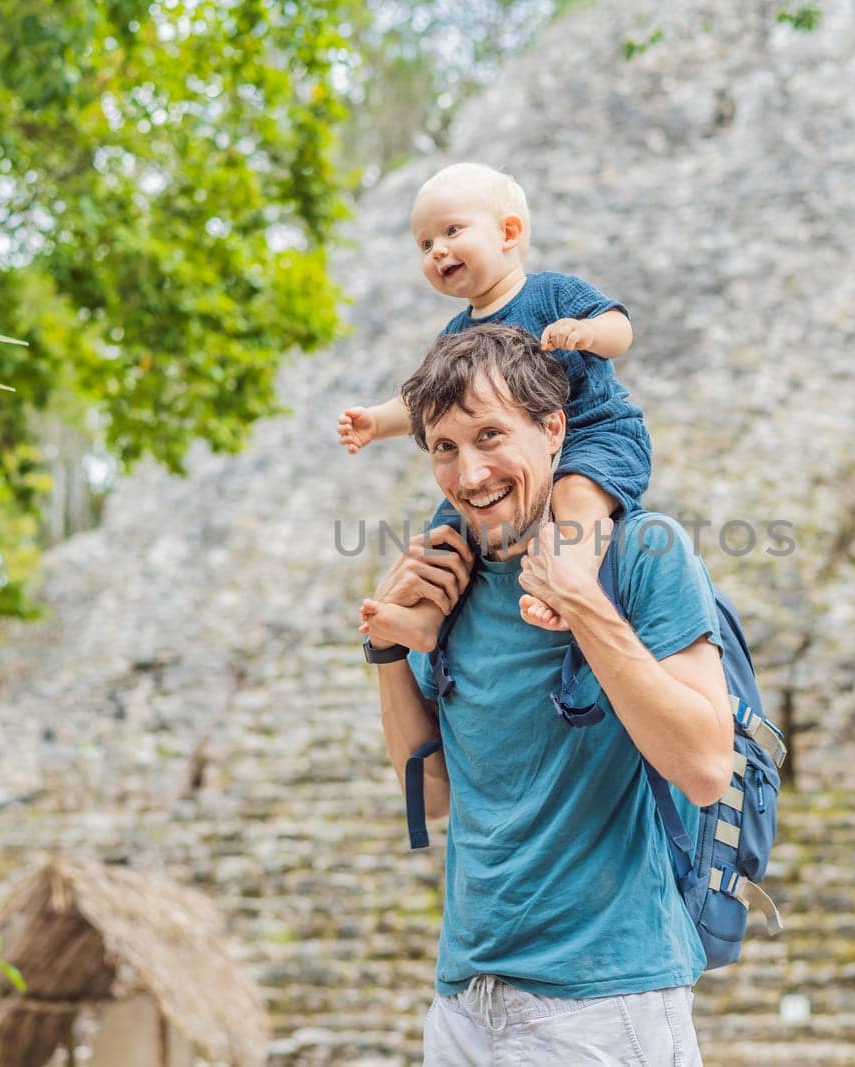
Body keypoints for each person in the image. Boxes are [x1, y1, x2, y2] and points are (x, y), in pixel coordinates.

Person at [358, 324, 732, 1064]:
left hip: (607, 998)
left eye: (491, 435)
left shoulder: (645, 552)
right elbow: (433, 796)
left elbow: (704, 764)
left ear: (553, 428)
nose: (469, 475)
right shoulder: (452, 584)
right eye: (444, 447)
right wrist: (386, 648)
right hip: (466, 1000)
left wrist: (583, 601)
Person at [338, 161, 651, 652]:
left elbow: (620, 327)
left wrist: (589, 333)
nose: (437, 249)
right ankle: (423, 618)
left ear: (508, 232)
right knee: (445, 528)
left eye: (451, 231)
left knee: (576, 497)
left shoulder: (552, 293)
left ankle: (572, 583)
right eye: (424, 244)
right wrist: (376, 422)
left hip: (592, 433)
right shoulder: (455, 336)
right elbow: (424, 402)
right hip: (497, 463)